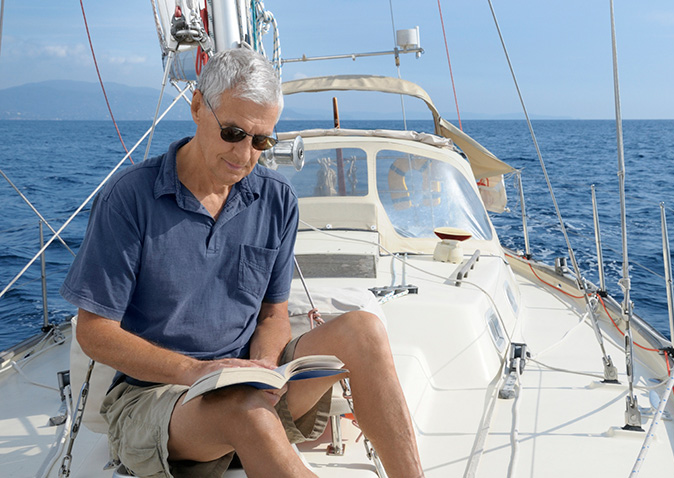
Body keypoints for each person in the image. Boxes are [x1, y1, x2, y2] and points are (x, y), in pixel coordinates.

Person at [61, 47, 424, 478]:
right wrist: (198, 371)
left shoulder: (276, 199)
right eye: (233, 132)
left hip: (247, 381)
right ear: (197, 106)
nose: (245, 153)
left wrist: (264, 368)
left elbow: (273, 315)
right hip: (156, 398)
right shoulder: (130, 198)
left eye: (262, 140)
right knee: (243, 409)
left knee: (363, 330)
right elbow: (94, 332)